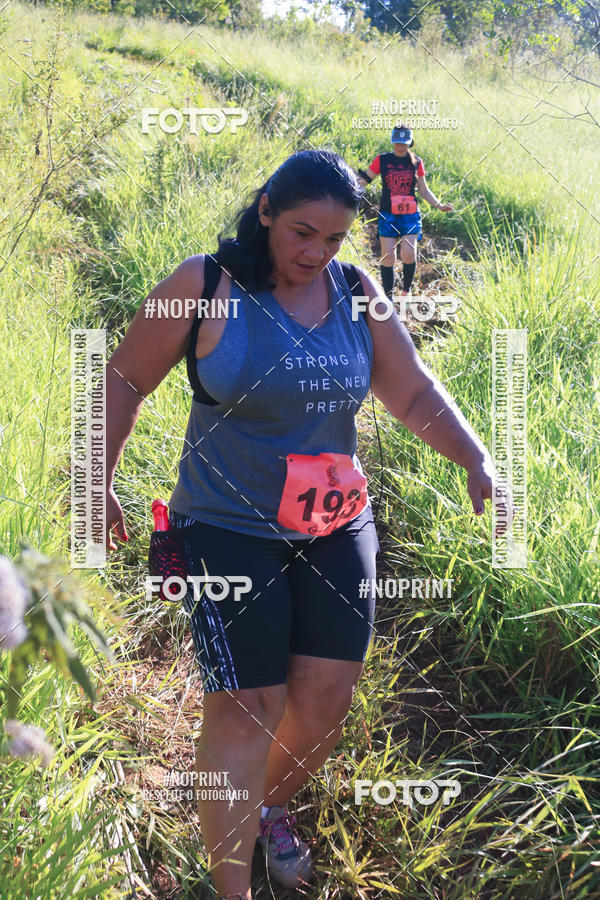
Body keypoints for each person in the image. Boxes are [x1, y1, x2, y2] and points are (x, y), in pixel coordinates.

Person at [104, 149, 503, 900]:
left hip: (334, 523)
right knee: (249, 705)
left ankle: (267, 809)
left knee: (323, 700)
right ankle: (231, 889)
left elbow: (412, 391)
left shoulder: (355, 293)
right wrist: (99, 479)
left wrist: (476, 458)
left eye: (332, 239)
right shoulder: (204, 285)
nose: (314, 254)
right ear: (265, 212)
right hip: (226, 526)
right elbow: (124, 377)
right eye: (301, 233)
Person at [357, 124, 454, 298]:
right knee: (388, 258)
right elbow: (365, 179)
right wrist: (347, 185)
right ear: (393, 142)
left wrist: (439, 205)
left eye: (404, 143)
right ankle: (388, 296)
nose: (400, 147)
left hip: (409, 215)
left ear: (410, 143)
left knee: (408, 254)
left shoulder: (416, 162)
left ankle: (406, 290)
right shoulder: (382, 160)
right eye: (397, 143)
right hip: (388, 214)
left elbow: (423, 190)